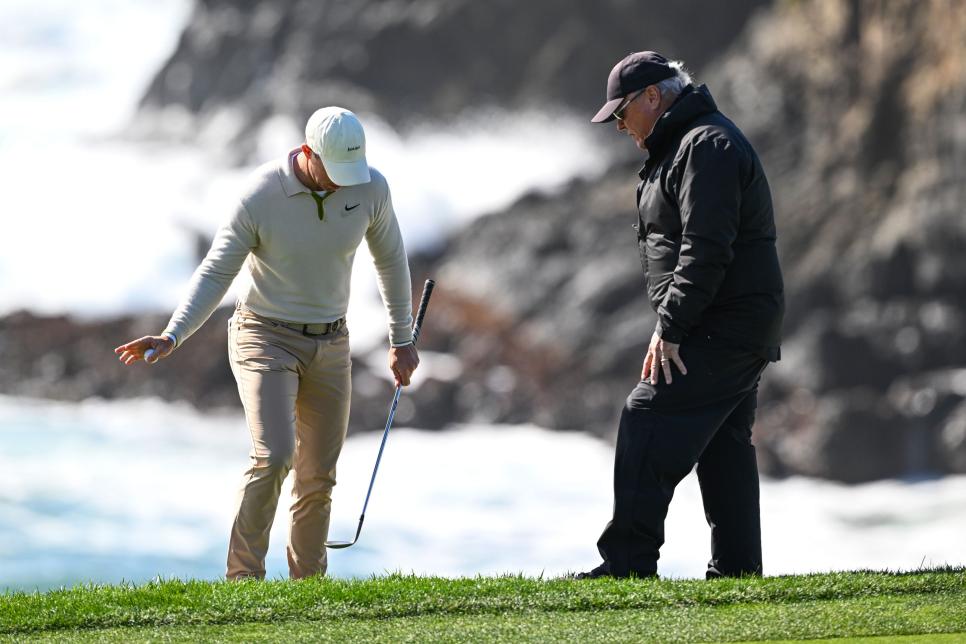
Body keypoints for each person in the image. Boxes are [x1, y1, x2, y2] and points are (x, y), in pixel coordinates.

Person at [114, 107, 419, 580]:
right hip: (263, 336)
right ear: (307, 153)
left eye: (349, 172)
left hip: (332, 341)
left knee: (319, 475)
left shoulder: (371, 188)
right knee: (275, 453)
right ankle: (243, 584)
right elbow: (217, 270)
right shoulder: (261, 194)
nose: (343, 183)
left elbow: (392, 263)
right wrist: (174, 334)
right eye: (334, 172)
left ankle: (308, 590)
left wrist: (402, 339)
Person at [579, 52, 784, 579]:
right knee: (724, 444)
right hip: (733, 322)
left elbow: (706, 246)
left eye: (623, 113)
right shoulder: (683, 144)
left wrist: (671, 326)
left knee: (645, 415)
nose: (621, 127)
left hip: (722, 324)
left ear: (654, 96)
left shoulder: (706, 145)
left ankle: (627, 565)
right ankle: (738, 573)